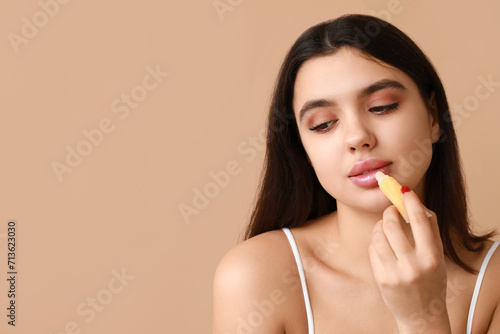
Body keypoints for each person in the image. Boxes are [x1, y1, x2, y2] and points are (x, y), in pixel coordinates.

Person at [213, 14, 499, 333]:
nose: (357, 137)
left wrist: (424, 317)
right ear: (303, 150)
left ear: (433, 116)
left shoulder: (495, 282)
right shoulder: (254, 276)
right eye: (323, 124)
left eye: (381, 106)